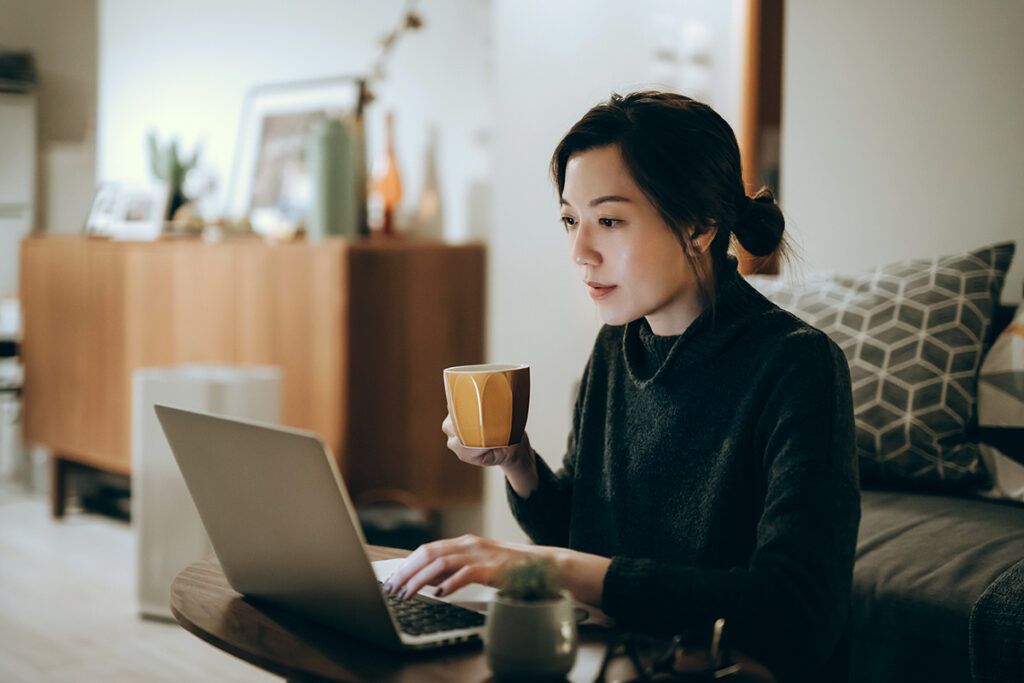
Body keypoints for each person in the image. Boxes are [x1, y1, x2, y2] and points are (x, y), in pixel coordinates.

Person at [383, 91, 860, 682]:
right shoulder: (618, 346)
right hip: (613, 658)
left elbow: (798, 612)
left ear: (700, 225)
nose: (580, 251)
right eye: (569, 220)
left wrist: (544, 565)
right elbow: (583, 535)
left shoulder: (797, 366)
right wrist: (518, 461)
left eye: (608, 220)